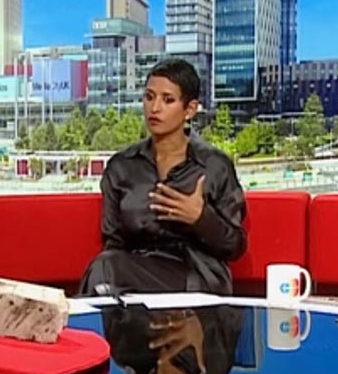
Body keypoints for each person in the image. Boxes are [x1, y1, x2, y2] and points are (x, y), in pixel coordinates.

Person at [79, 58, 247, 296]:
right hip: (135, 278)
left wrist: (200, 218)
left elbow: (235, 245)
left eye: (167, 100)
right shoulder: (122, 167)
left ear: (189, 109)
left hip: (198, 280)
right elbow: (113, 243)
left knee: (106, 269)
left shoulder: (213, 166)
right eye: (149, 97)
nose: (154, 108)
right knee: (107, 268)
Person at [102, 305, 245, 374]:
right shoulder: (214, 368)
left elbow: (101, 280)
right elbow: (236, 304)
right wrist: (201, 321)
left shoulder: (126, 354)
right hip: (200, 271)